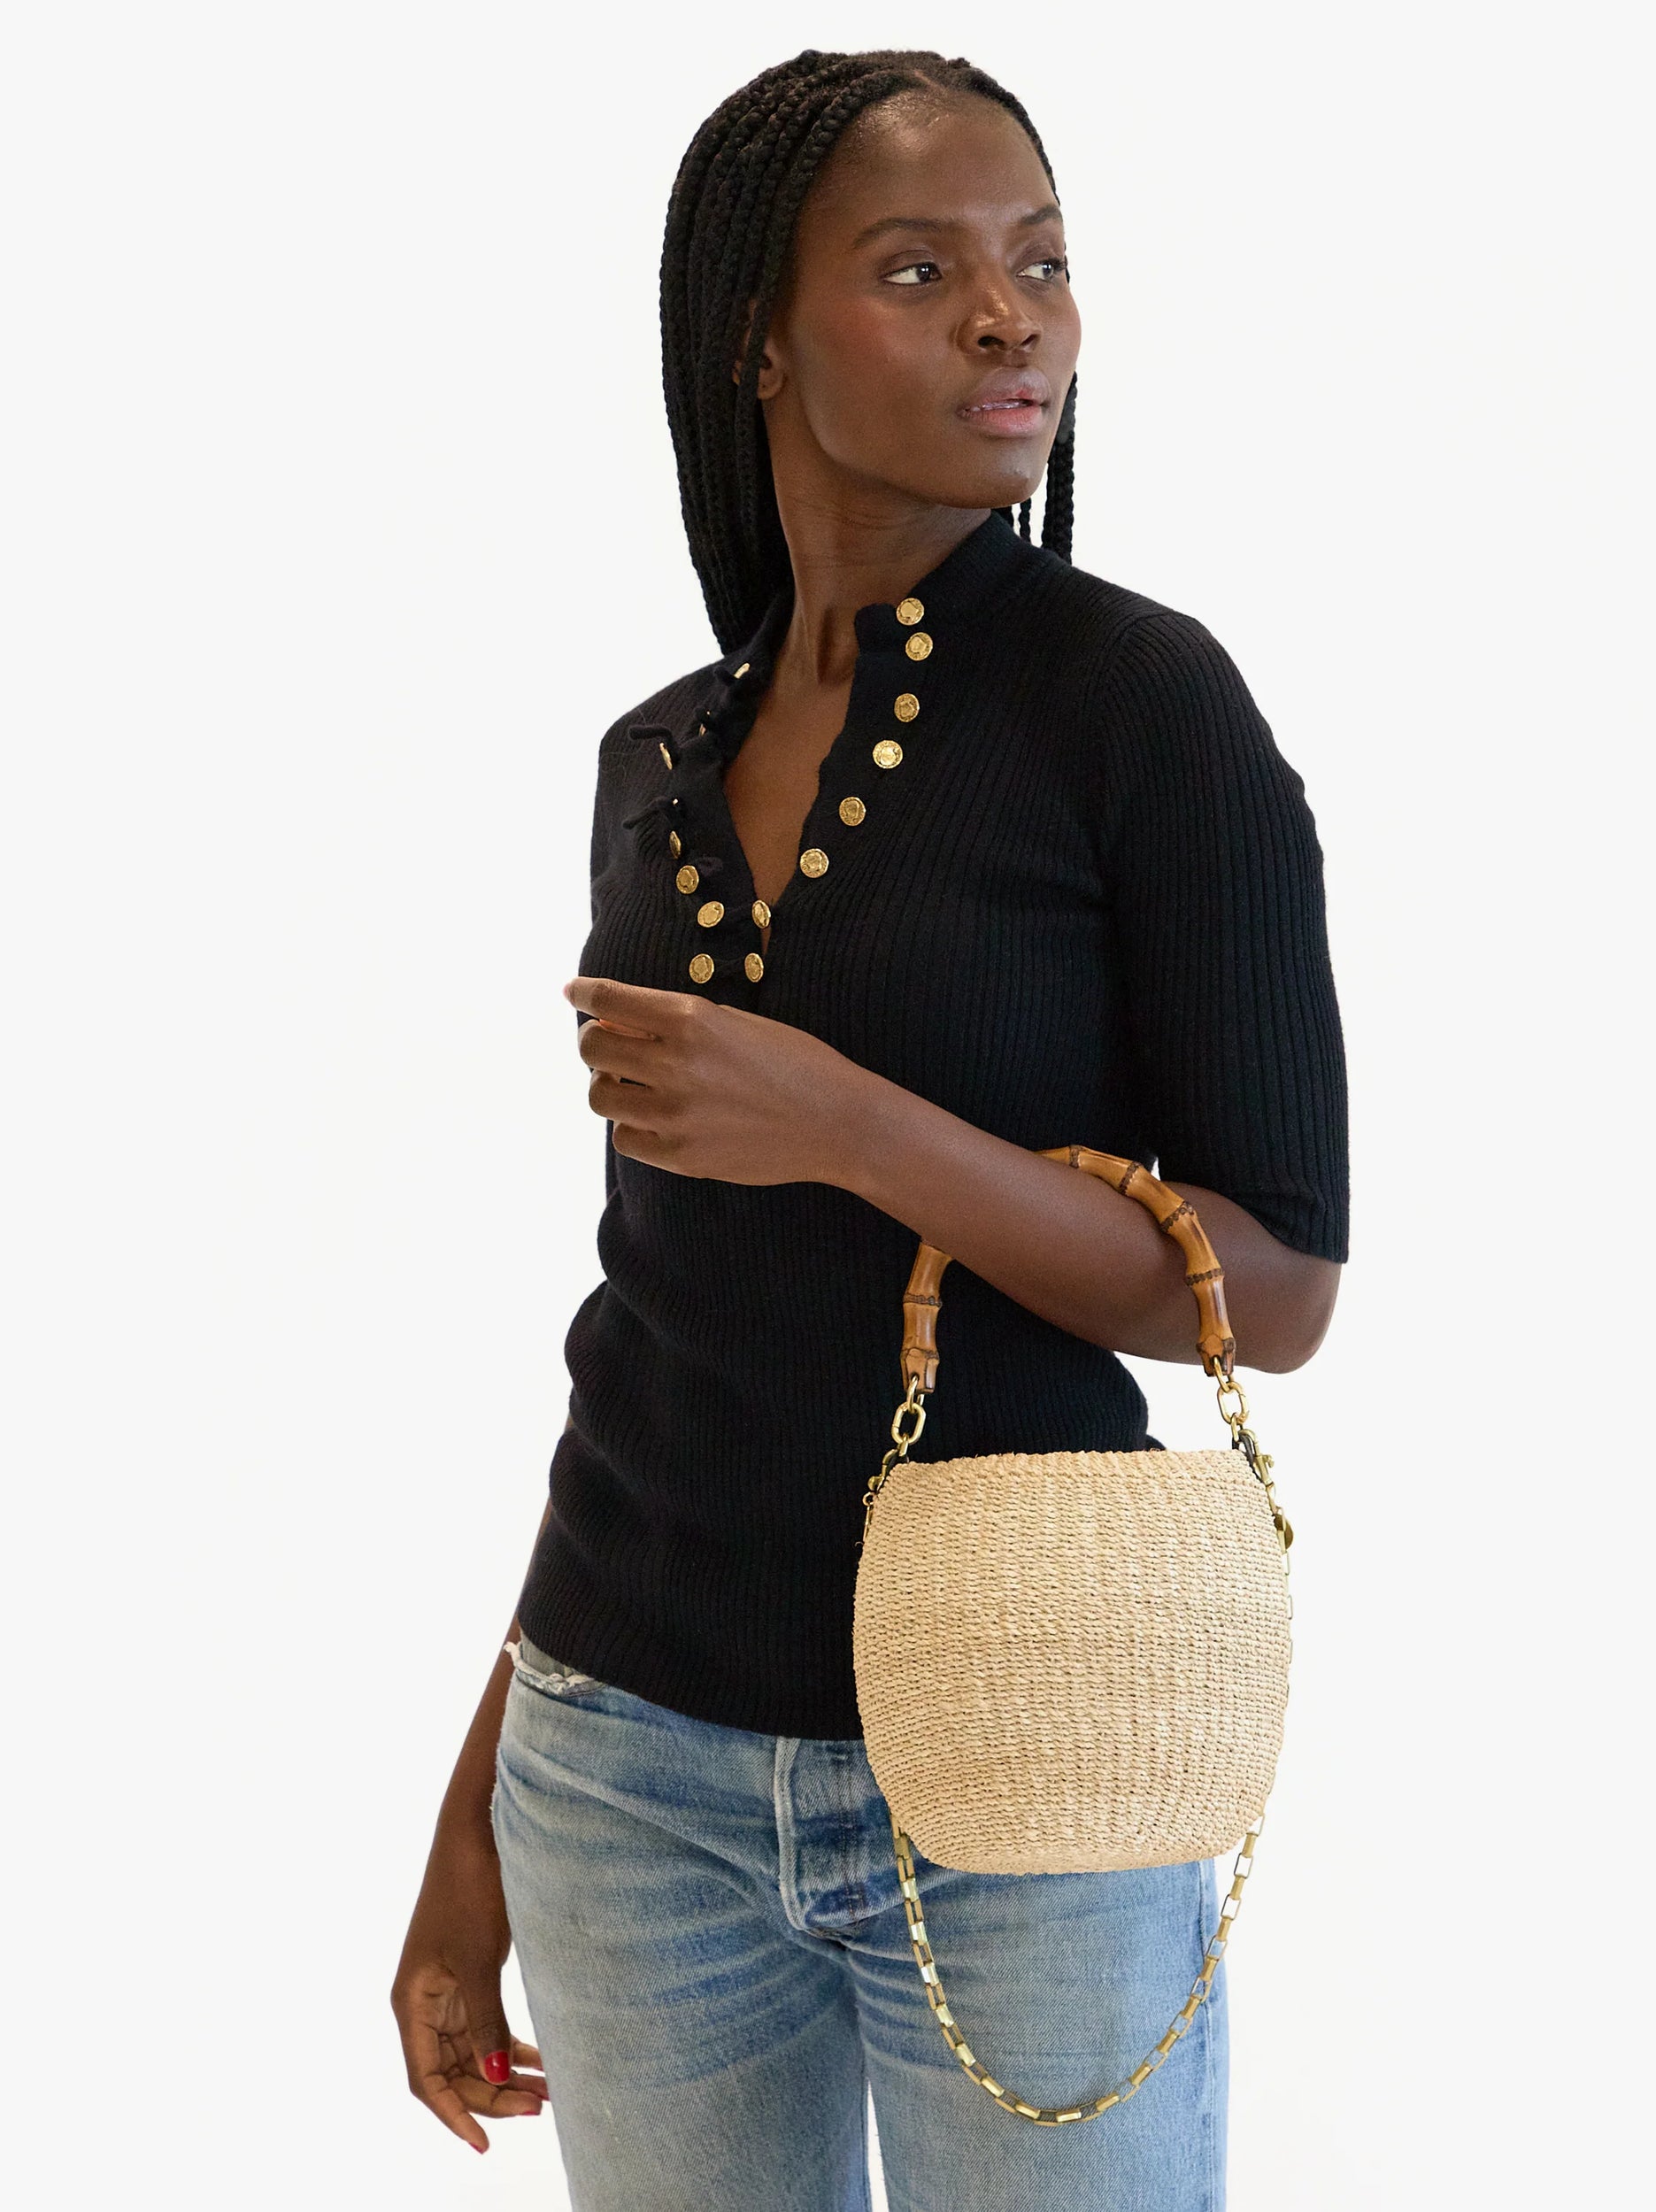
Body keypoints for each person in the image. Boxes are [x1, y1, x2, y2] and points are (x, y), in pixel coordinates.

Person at [392, 46, 1350, 2212]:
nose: (1011, 320)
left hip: (1027, 1761)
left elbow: (1274, 1289)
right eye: (921, 270)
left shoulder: (1144, 708)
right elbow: (656, 1323)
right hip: (620, 1770)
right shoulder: (657, 756)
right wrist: (477, 1822)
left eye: (1040, 266)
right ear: (757, 326)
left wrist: (846, 1120)